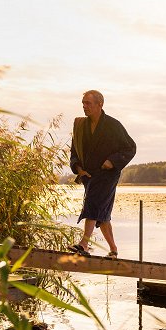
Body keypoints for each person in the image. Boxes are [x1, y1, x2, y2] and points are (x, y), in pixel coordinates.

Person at [68, 90, 136, 258]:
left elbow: (130, 147)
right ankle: (113, 249)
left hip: (107, 174)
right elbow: (74, 150)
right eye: (83, 103)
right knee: (102, 213)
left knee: (92, 202)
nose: (84, 106)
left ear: (100, 104)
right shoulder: (80, 125)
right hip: (89, 175)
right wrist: (78, 168)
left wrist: (112, 161)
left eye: (88, 103)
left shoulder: (113, 125)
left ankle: (84, 244)